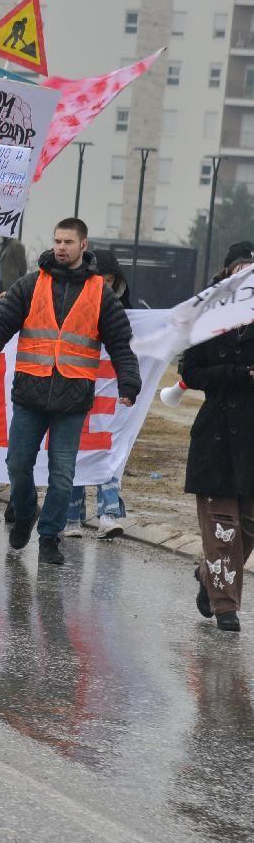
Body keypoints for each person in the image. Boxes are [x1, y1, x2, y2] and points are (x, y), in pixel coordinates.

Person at [0, 218, 141, 567]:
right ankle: (24, 512)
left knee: (62, 477)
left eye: (68, 241)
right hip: (30, 392)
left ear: (84, 245)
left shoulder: (100, 294)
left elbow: (121, 345)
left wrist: (129, 381)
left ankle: (50, 536)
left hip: (72, 399)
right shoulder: (31, 284)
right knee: (18, 465)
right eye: (57, 240)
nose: (61, 247)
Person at [184, 244, 253, 632]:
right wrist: (240, 375)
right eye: (240, 269)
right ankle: (227, 607)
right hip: (216, 438)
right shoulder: (207, 317)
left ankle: (207, 572)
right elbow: (191, 373)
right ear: (227, 273)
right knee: (222, 528)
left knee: (248, 527)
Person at [63, 247, 133, 539]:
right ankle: (71, 517)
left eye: (109, 279)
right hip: (76, 387)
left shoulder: (129, 315)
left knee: (109, 451)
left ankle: (108, 514)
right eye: (99, 279)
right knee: (76, 452)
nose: (104, 285)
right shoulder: (70, 305)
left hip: (112, 393)